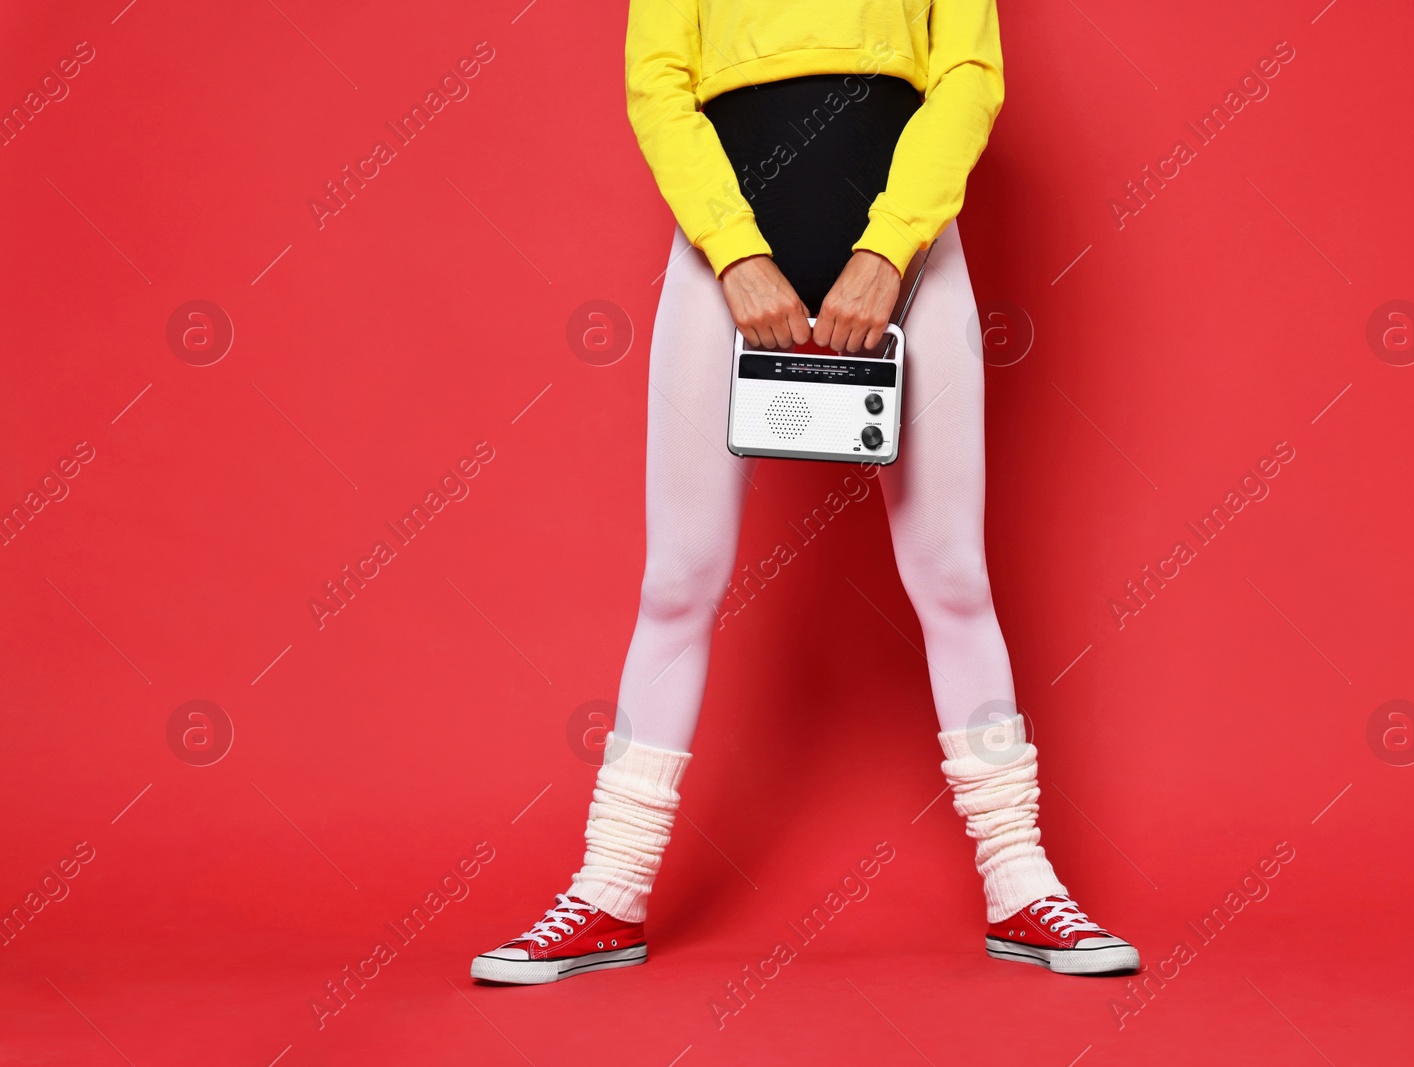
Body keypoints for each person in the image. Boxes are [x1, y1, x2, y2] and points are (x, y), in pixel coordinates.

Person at [470, 0, 1140, 984]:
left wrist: (889, 246)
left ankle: (1021, 880)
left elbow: (967, 74)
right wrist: (737, 252)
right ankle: (609, 888)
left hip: (908, 254)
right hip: (723, 258)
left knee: (953, 574)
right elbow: (658, 83)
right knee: (677, 579)